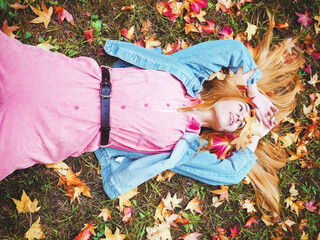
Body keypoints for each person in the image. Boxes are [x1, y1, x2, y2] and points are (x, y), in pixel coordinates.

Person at [0, 14, 303, 214]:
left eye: (244, 124)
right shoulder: (188, 74)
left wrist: (255, 137)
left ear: (230, 136)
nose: (242, 116)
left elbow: (232, 173)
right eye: (244, 109)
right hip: (72, 80)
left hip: (64, 131)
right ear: (233, 94)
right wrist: (255, 94)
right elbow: (233, 50)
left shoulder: (185, 148)